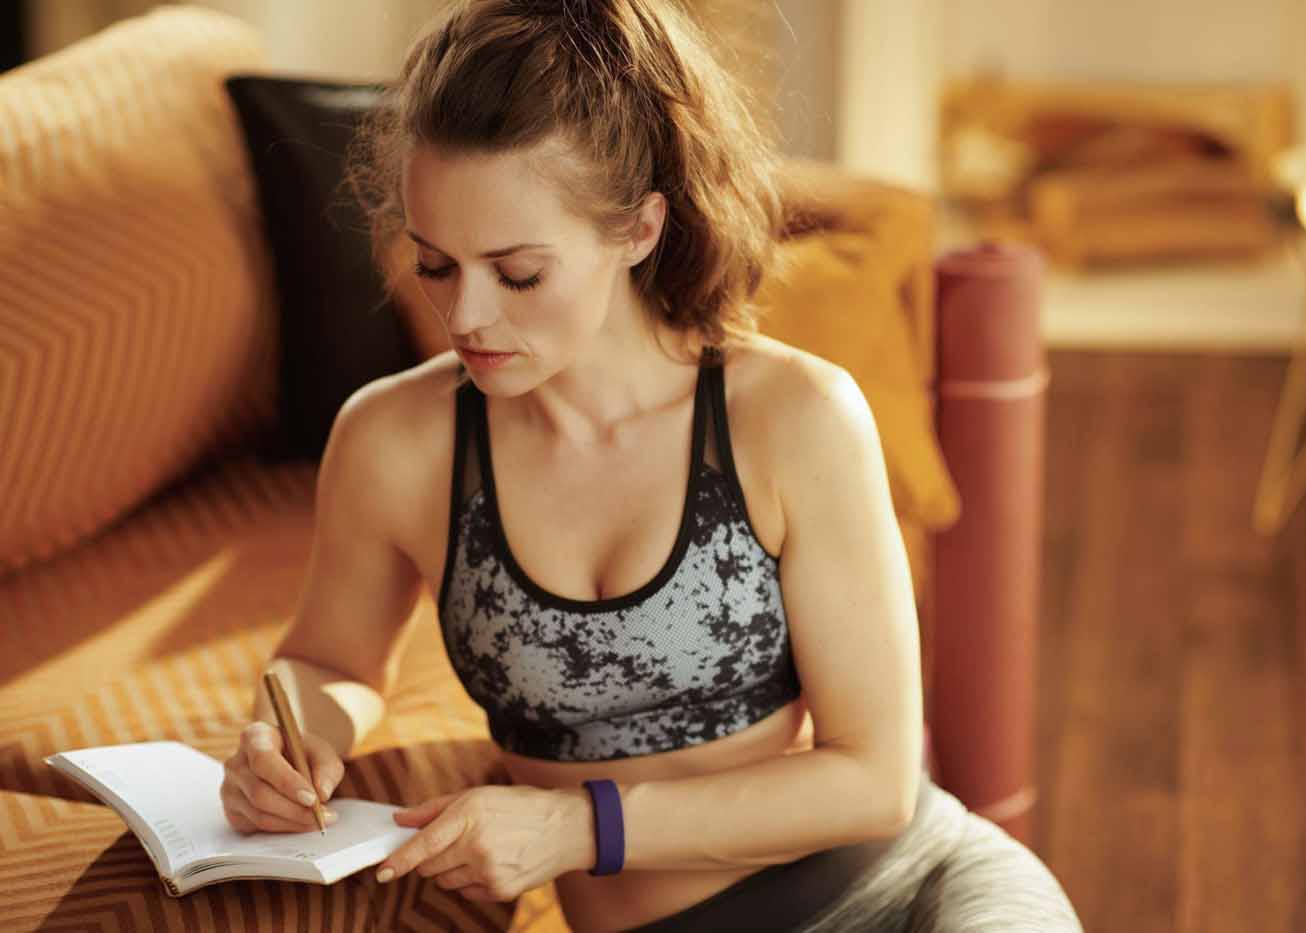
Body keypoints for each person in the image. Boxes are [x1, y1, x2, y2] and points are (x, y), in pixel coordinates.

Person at [219, 1, 1082, 930]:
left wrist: (578, 828)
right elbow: (328, 658)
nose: (464, 316)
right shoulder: (396, 442)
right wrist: (295, 734)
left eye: (516, 274)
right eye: (436, 264)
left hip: (909, 893)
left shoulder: (793, 419)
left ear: (637, 229)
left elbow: (874, 781)